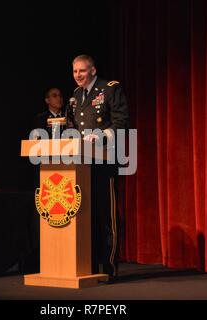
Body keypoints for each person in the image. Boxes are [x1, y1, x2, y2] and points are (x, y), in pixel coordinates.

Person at [71, 54, 129, 282]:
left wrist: (100, 137)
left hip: (105, 161)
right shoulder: (76, 95)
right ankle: (90, 263)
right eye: (75, 72)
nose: (78, 76)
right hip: (83, 165)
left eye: (82, 71)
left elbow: (122, 122)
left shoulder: (110, 89)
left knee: (107, 216)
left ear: (93, 71)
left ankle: (109, 266)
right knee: (87, 216)